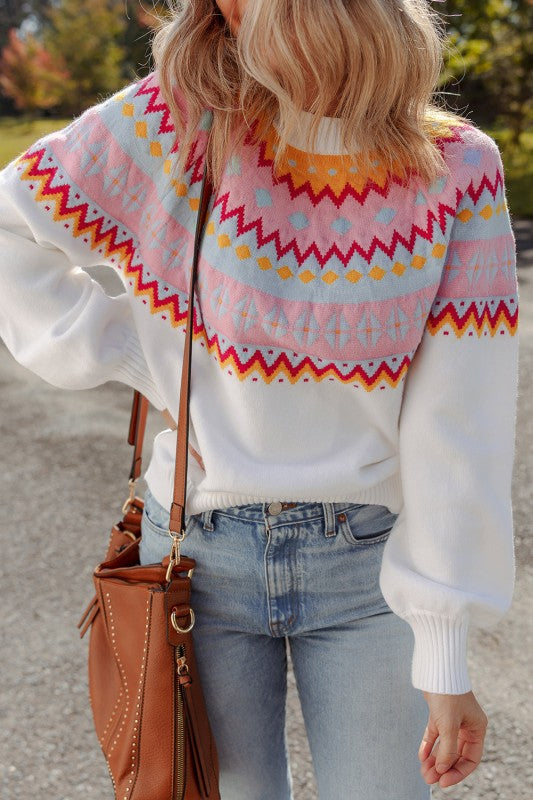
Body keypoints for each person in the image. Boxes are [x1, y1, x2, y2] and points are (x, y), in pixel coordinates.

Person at [0, 1, 519, 798]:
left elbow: (460, 428)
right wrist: (136, 349)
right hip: (195, 560)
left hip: (368, 571)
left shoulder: (454, 169)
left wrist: (445, 647)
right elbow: (11, 225)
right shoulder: (173, 124)